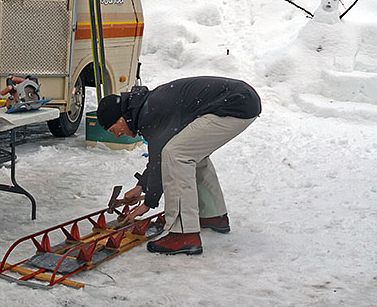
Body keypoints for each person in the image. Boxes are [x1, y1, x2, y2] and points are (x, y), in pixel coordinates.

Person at [96, 76, 261, 255]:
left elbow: (161, 156)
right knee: (187, 151)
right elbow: (157, 156)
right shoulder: (147, 106)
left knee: (176, 154)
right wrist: (141, 186)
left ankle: (184, 234)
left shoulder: (150, 112)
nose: (118, 135)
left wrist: (148, 203)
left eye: (113, 130)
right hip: (241, 99)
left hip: (233, 104)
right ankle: (212, 214)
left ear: (120, 118)